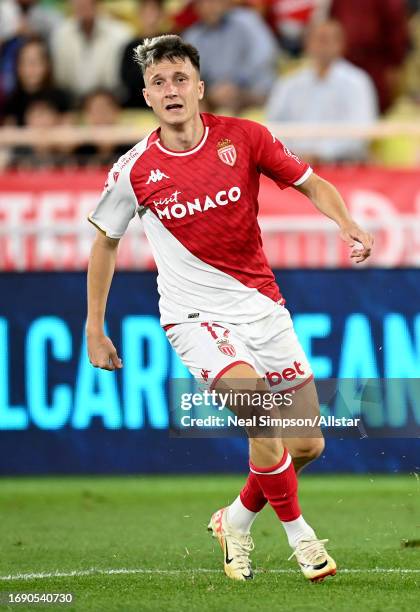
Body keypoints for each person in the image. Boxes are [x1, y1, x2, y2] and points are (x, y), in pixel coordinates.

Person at [86, 35, 373, 582]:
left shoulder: (244, 138)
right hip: (193, 319)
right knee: (259, 415)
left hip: (261, 307)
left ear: (199, 87)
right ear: (146, 96)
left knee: (306, 443)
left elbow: (311, 183)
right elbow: (104, 243)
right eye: (158, 82)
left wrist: (346, 221)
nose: (170, 90)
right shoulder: (134, 171)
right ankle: (302, 539)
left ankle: (235, 519)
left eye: (179, 79)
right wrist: (94, 329)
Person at [265, 20, 378, 163]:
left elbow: (362, 133)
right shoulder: (288, 84)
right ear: (307, 44)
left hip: (343, 166)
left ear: (341, 44)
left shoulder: (357, 82)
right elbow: (273, 128)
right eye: (318, 39)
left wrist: (321, 155)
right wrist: (295, 154)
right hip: (294, 167)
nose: (323, 45)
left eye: (328, 40)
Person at [183, 0, 278, 112]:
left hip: (254, 92)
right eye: (202, 3)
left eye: (212, 2)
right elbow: (189, 75)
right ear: (195, 8)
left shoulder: (247, 20)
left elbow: (265, 56)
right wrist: (210, 91)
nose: (209, 7)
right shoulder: (193, 36)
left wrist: (235, 84)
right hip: (214, 98)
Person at [50, 0, 132, 101]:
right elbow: (61, 81)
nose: (83, 3)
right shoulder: (60, 34)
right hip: (71, 102)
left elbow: (117, 85)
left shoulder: (121, 34)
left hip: (111, 102)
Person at [2, 36, 72, 126]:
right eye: (26, 62)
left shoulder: (62, 98)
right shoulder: (12, 102)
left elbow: (70, 130)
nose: (32, 68)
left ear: (47, 65)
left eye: (36, 61)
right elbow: (9, 134)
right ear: (17, 67)